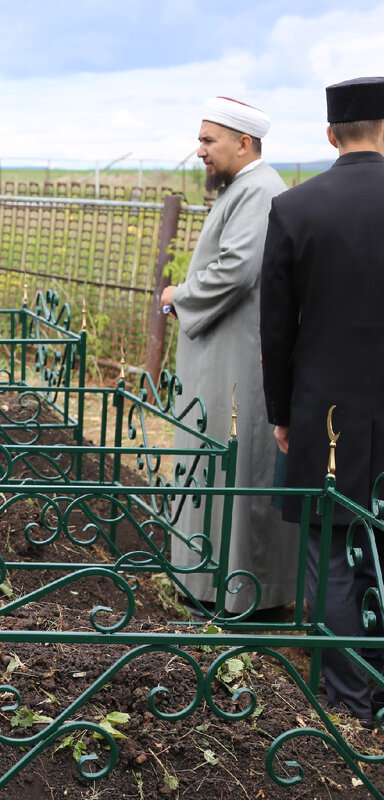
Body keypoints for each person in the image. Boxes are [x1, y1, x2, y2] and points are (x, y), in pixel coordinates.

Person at [261, 77, 384, 722]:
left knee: (332, 550)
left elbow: (276, 327)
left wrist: (282, 414)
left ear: (331, 135)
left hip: (326, 413)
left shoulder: (297, 208)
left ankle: (349, 698)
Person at [158, 97, 296, 620]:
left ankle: (240, 596)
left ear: (244, 142)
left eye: (208, 140)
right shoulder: (245, 188)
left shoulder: (260, 190)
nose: (199, 151)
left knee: (234, 470)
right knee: (215, 468)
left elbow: (237, 269)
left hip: (235, 364)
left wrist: (179, 297)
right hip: (220, 358)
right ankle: (211, 584)